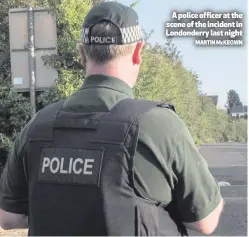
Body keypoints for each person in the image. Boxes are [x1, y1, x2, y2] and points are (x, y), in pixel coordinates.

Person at [0, 1, 224, 236]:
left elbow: (9, 217)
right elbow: (204, 221)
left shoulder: (38, 125)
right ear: (138, 52)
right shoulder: (158, 126)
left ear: (82, 53)